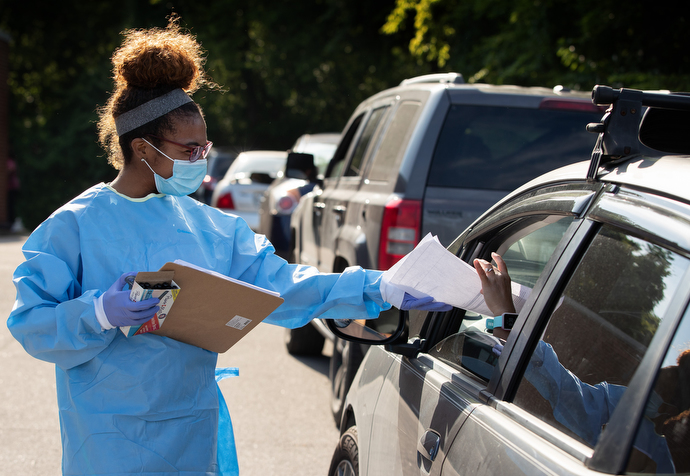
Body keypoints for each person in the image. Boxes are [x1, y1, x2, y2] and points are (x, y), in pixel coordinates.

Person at [6, 18, 449, 476]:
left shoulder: (212, 227)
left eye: (205, 147)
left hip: (190, 433)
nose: (202, 161)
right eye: (190, 150)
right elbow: (30, 323)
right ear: (143, 148)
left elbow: (286, 287)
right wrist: (99, 312)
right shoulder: (73, 227)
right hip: (105, 443)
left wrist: (381, 287)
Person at [473, 253, 679, 473]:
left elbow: (569, 396)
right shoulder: (635, 408)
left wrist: (505, 314)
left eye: (674, 374)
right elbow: (574, 394)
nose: (662, 370)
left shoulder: (653, 447)